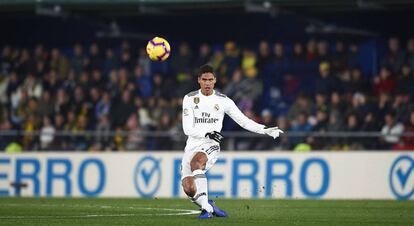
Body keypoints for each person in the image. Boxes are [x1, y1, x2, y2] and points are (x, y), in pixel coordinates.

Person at [180, 65, 283, 219]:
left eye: (210, 80)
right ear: (199, 81)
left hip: (211, 145)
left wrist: (264, 129)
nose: (207, 83)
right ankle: (208, 205)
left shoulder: (223, 100)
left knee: (197, 163)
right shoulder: (189, 98)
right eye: (204, 80)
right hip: (192, 144)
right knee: (189, 189)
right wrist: (207, 132)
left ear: (215, 80)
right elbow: (187, 128)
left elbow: (243, 121)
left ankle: (206, 211)